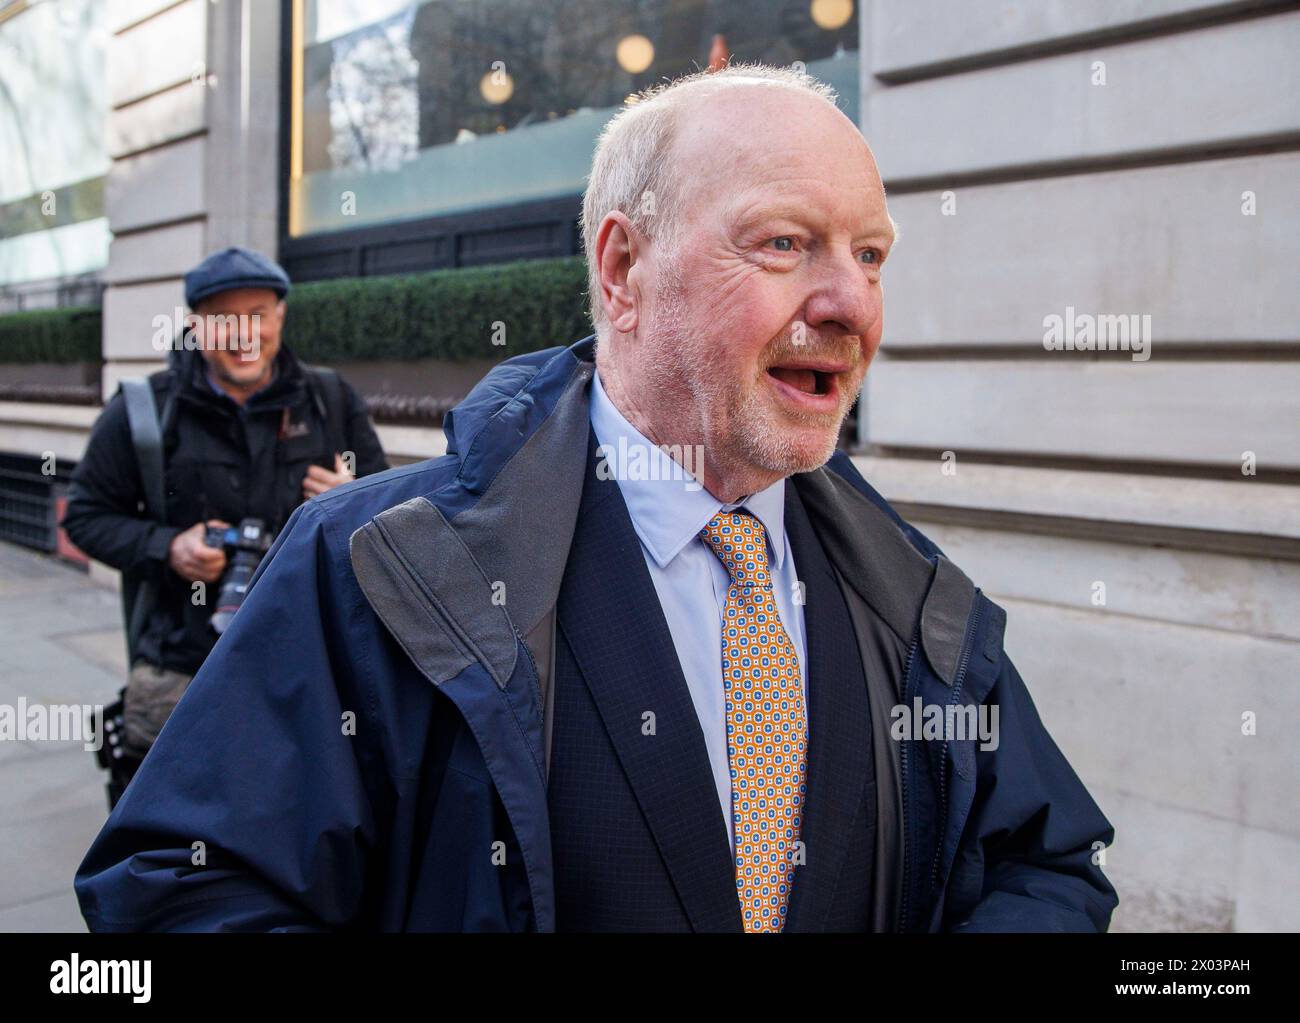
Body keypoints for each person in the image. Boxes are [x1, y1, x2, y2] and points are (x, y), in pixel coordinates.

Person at [74, 66, 1117, 932]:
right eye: (785, 243)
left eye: (871, 254)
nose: (851, 303)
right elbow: (176, 887)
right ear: (623, 268)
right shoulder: (376, 572)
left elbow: (1048, 867)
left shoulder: (917, 598)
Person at [63, 246, 388, 772]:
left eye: (257, 315)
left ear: (280, 315)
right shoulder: (144, 411)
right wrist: (168, 546)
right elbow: (85, 516)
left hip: (311, 666)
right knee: (171, 830)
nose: (243, 335)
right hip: (182, 669)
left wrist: (352, 501)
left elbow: (391, 514)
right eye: (223, 320)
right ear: (194, 324)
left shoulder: (330, 399)